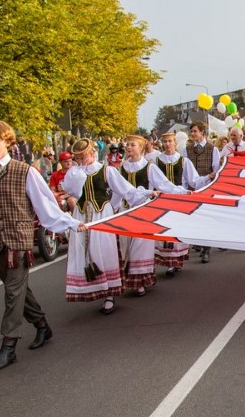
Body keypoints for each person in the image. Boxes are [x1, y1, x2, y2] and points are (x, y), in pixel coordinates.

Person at [0, 121, 86, 371]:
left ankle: (8, 346)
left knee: (13, 292)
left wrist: (70, 223)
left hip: (19, 242)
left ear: (8, 142)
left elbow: (45, 205)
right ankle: (42, 326)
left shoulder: (25, 171)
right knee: (17, 289)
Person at [62, 138, 152, 315]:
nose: (80, 161)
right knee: (86, 252)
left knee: (104, 250)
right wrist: (77, 172)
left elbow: (126, 190)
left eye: (83, 157)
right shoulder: (74, 172)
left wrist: (148, 193)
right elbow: (72, 191)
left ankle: (109, 294)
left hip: (101, 214)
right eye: (77, 158)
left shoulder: (106, 170)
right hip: (81, 216)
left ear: (91, 153)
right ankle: (96, 288)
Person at [150, 132, 201, 276]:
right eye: (165, 141)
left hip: (179, 199)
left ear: (175, 143)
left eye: (170, 141)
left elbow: (194, 180)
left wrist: (207, 179)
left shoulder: (183, 161)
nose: (167, 144)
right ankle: (169, 262)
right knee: (164, 229)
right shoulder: (156, 162)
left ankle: (175, 261)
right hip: (162, 200)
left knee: (176, 229)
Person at [114, 134, 159, 297]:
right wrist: (112, 208)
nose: (128, 147)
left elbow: (164, 184)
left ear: (141, 148)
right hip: (125, 210)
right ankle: (129, 279)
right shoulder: (122, 167)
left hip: (143, 211)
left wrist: (182, 192)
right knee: (125, 244)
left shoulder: (149, 167)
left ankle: (140, 281)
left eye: (132, 145)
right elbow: (117, 191)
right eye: (127, 145)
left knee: (140, 246)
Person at [184, 121, 221, 263]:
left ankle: (206, 249)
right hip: (192, 189)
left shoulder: (212, 149)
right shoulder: (187, 150)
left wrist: (211, 182)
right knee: (194, 218)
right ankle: (198, 241)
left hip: (207, 188)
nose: (192, 134)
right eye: (191, 131)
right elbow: (184, 171)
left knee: (206, 219)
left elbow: (216, 169)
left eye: (195, 131)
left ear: (202, 132)